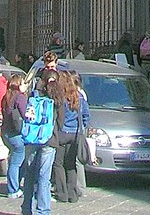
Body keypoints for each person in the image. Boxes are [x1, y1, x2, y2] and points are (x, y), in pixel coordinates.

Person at [51, 71, 90, 204]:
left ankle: (61, 193)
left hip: (62, 133)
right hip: (75, 134)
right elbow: (86, 115)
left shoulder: (60, 97)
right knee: (71, 164)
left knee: (58, 164)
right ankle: (72, 194)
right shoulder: (78, 96)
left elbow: (56, 115)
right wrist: (82, 128)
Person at [22, 73, 58, 215]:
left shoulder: (34, 94)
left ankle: (26, 208)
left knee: (29, 174)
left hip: (32, 137)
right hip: (49, 140)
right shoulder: (57, 98)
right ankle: (43, 210)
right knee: (44, 177)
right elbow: (60, 120)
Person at [2, 74, 28, 198]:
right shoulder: (20, 97)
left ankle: (14, 185)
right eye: (23, 83)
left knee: (15, 159)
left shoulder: (6, 97)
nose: (25, 86)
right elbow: (25, 114)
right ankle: (13, 189)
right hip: (16, 134)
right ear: (18, 85)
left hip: (6, 132)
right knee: (16, 162)